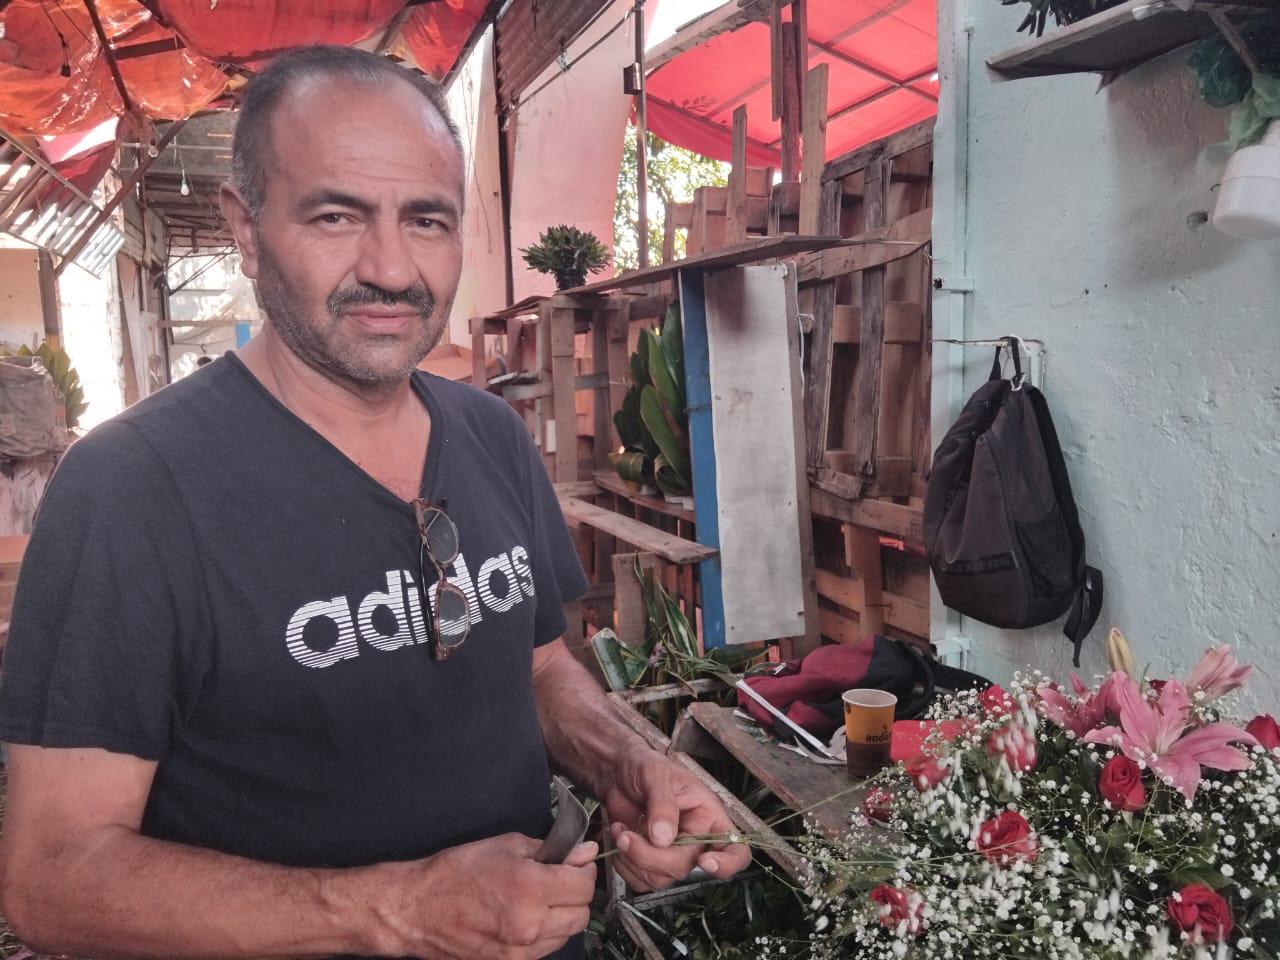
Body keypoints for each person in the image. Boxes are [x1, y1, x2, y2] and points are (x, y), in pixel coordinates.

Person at [0, 46, 749, 960]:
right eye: (335, 215)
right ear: (245, 228)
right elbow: (51, 878)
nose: (392, 269)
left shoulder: (491, 437)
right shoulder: (130, 490)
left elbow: (540, 668)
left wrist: (627, 762)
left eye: (427, 220)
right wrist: (393, 909)